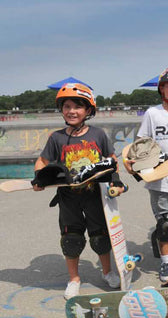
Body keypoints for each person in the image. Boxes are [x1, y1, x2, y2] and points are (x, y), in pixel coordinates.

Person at [32, 83, 125, 299]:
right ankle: (74, 279)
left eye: (78, 107)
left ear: (88, 111)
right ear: (61, 110)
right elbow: (42, 161)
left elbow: (111, 161)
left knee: (100, 237)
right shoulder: (56, 138)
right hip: (68, 198)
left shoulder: (98, 135)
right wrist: (39, 178)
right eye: (67, 106)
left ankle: (107, 272)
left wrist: (116, 182)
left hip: (95, 196)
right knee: (71, 239)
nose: (72, 111)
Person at [124, 68, 168, 282]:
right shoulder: (152, 113)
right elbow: (141, 143)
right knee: (166, 224)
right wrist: (132, 162)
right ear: (161, 89)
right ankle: (166, 261)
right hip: (159, 178)